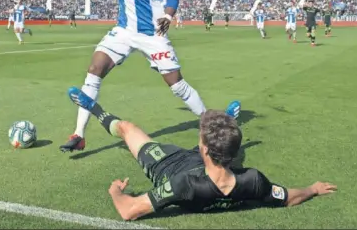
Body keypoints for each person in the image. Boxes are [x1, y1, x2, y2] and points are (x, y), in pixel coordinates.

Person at [66, 86, 337, 221]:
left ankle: (94, 108)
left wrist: (115, 190)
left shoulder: (184, 186)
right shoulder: (252, 180)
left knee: (127, 129)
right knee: (218, 152)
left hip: (165, 164)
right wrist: (312, 188)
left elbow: (129, 210)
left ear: (206, 148)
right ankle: (227, 125)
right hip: (201, 162)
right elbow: (288, 197)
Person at [56, 0, 207, 152]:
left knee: (176, 84)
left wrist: (168, 16)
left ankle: (211, 124)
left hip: (152, 35)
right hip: (124, 30)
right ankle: (79, 134)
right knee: (95, 69)